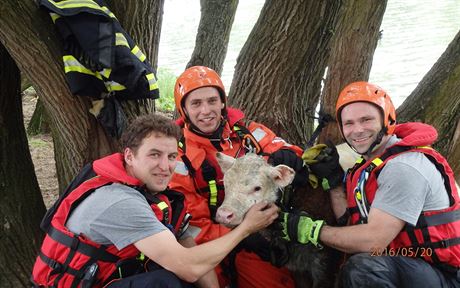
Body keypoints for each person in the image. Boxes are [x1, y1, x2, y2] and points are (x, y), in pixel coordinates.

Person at [31, 113, 278, 288]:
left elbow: (186, 241)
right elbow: (189, 268)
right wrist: (245, 229)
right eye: (154, 155)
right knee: (166, 282)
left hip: (109, 277)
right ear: (129, 155)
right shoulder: (120, 202)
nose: (165, 166)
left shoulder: (150, 189)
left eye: (171, 156)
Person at [278, 81, 460, 287]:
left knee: (362, 269)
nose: (357, 130)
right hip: (404, 263)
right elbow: (353, 226)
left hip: (442, 274)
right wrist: (335, 183)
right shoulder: (368, 166)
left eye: (366, 120)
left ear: (387, 119)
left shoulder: (403, 167)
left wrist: (310, 230)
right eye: (349, 123)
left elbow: (373, 241)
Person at [169, 66, 308, 287]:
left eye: (212, 101)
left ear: (223, 102)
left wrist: (289, 156)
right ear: (183, 109)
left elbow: (287, 149)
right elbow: (193, 225)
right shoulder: (178, 158)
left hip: (260, 229)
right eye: (196, 103)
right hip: (214, 240)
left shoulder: (248, 133)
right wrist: (245, 235)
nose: (206, 110)